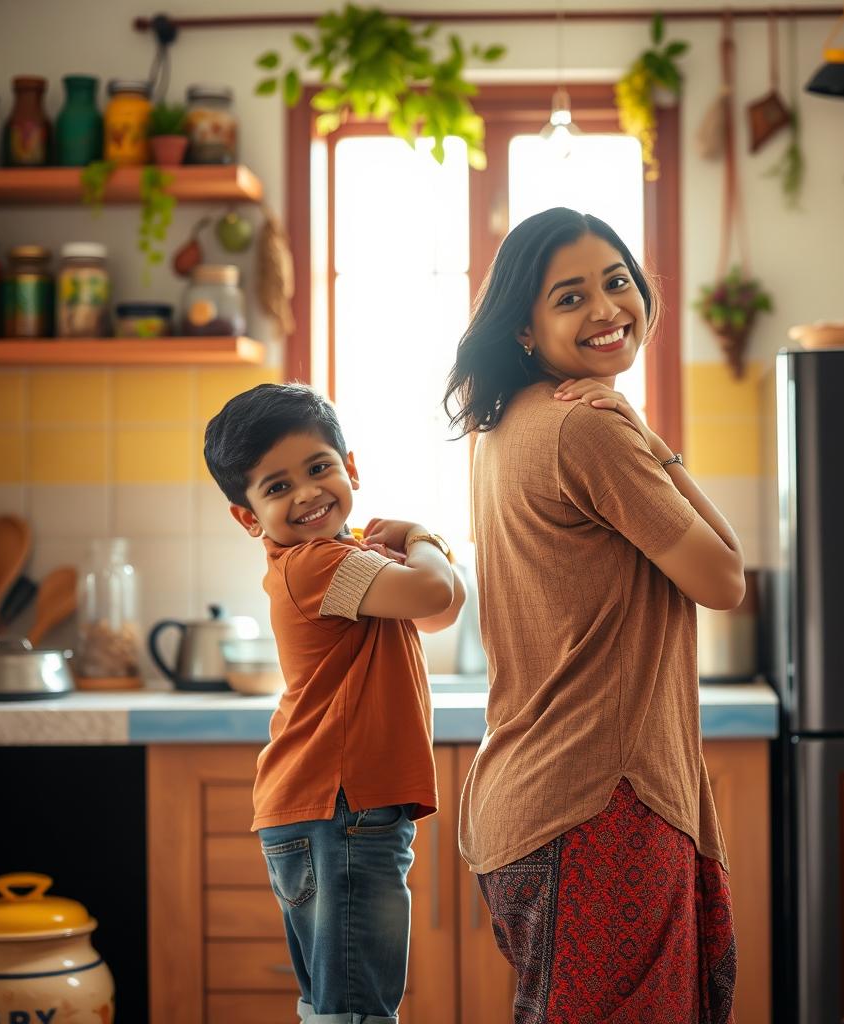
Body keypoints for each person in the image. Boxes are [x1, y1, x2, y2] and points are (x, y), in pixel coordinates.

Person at [444, 207, 745, 1023]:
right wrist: (650, 441)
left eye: (617, 282)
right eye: (569, 297)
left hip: (533, 803)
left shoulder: (506, 427)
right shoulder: (587, 428)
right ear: (526, 330)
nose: (608, 308)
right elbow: (723, 578)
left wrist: (637, 429)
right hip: (599, 804)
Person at [203, 381, 465, 1024]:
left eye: (319, 468)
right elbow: (434, 594)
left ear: (350, 468)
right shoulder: (318, 564)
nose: (307, 493)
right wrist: (423, 535)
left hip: (334, 808)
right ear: (248, 515)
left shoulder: (344, 558)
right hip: (340, 806)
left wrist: (415, 549)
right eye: (277, 486)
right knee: (356, 1009)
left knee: (339, 1004)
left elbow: (440, 611)